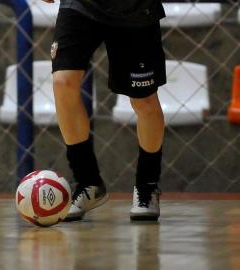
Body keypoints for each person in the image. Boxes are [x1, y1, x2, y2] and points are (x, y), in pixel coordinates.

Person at [43, 0, 166, 221]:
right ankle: (88, 182)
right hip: (79, 4)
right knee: (63, 82)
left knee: (144, 101)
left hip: (135, 9)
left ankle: (147, 185)